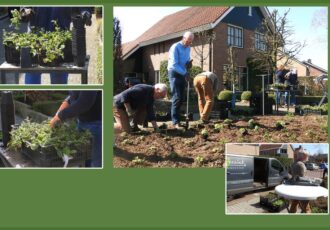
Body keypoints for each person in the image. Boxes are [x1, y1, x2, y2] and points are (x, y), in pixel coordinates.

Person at [20, 7, 92, 84]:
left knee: (59, 83)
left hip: (59, 40)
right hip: (35, 39)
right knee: (32, 80)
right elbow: (24, 8)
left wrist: (85, 11)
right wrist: (24, 10)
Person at [50, 91, 102, 168]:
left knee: (96, 162)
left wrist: (60, 116)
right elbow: (74, 94)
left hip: (97, 124)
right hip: (81, 123)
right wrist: (63, 106)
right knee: (83, 158)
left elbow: (83, 104)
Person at [167, 31, 194, 128]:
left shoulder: (188, 48)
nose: (189, 44)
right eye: (187, 41)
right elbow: (174, 65)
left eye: (190, 42)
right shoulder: (175, 47)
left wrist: (188, 63)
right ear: (183, 38)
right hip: (174, 73)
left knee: (181, 98)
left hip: (182, 73)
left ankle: (178, 119)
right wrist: (185, 73)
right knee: (177, 97)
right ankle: (175, 122)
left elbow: (186, 60)